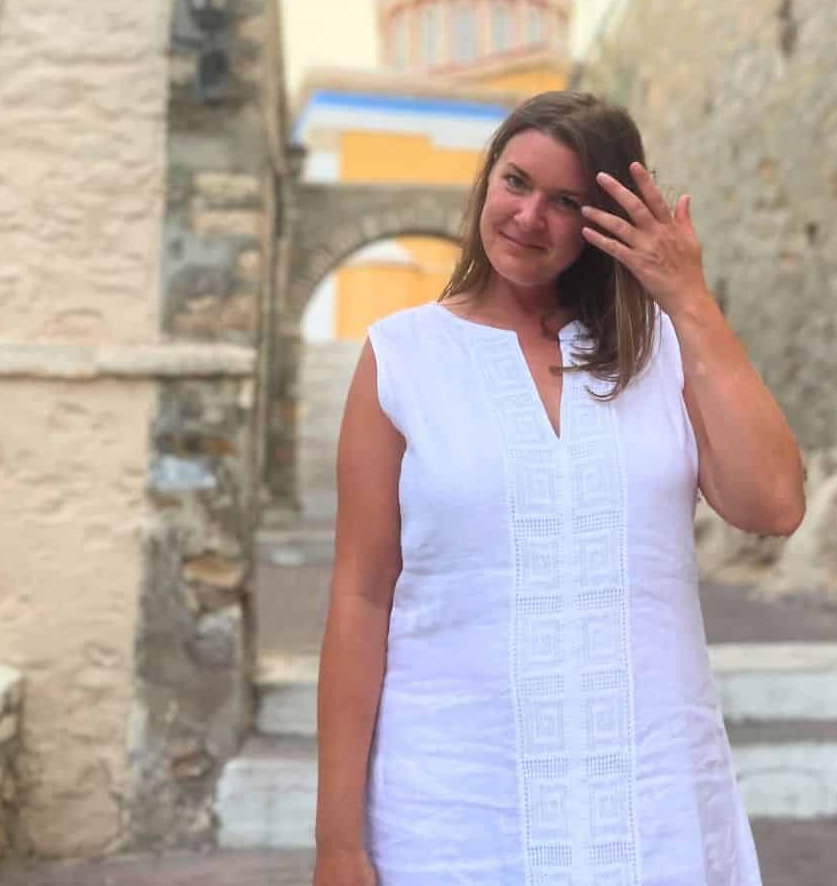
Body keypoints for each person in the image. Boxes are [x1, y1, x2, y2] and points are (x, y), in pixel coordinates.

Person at [312, 90, 806, 886]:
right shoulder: (401, 359)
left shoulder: (665, 356)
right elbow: (361, 596)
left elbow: (772, 504)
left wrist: (688, 299)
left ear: (604, 219)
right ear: (485, 183)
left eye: (567, 201)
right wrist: (337, 844)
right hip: (452, 806)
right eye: (516, 183)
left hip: (653, 804)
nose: (529, 216)